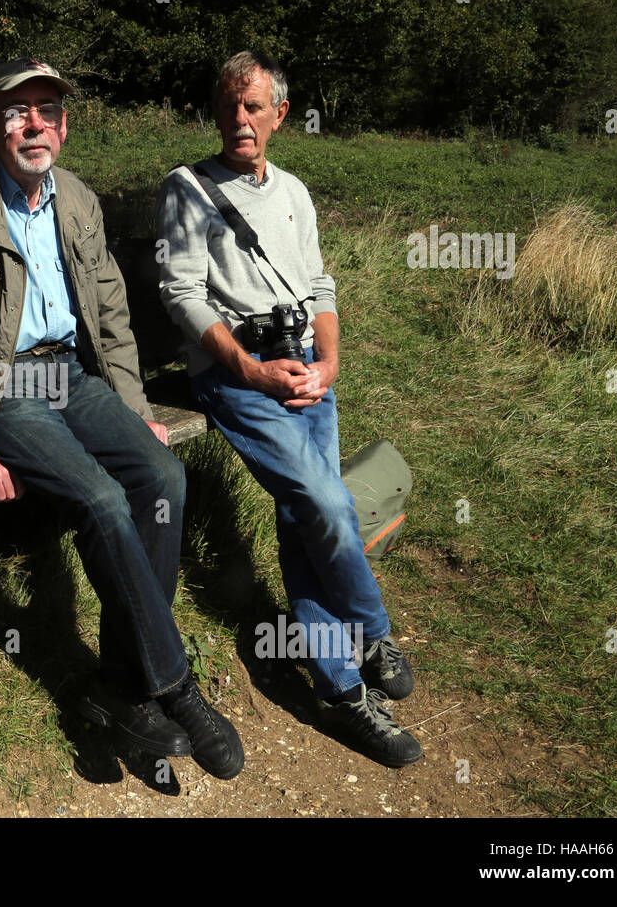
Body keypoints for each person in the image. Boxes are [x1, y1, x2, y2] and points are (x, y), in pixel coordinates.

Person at [0, 58, 242, 779]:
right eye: (17, 110)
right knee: (98, 498)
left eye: (47, 110)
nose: (34, 124)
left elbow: (113, 323)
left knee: (163, 477)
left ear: (64, 125)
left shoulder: (79, 200)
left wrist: (134, 410)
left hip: (71, 374)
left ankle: (120, 687)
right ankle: (174, 685)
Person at [155, 50, 421, 767]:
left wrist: (328, 364)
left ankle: (339, 695)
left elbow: (321, 287)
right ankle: (370, 631)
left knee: (306, 520)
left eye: (256, 107)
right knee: (329, 507)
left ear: (280, 116)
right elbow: (181, 293)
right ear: (216, 112)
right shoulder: (187, 190)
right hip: (238, 379)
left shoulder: (296, 192)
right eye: (230, 106)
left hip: (305, 373)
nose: (241, 120)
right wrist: (247, 366)